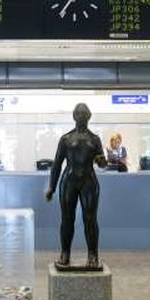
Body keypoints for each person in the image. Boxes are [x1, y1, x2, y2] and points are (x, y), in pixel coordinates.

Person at [44, 103, 107, 269]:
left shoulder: (95, 139)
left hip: (89, 182)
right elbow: (56, 164)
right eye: (78, 113)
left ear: (89, 116)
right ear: (74, 116)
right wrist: (52, 187)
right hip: (69, 182)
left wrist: (102, 161)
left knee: (90, 220)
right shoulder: (66, 139)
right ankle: (65, 254)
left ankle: (93, 255)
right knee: (67, 219)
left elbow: (102, 163)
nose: (81, 116)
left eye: (84, 113)